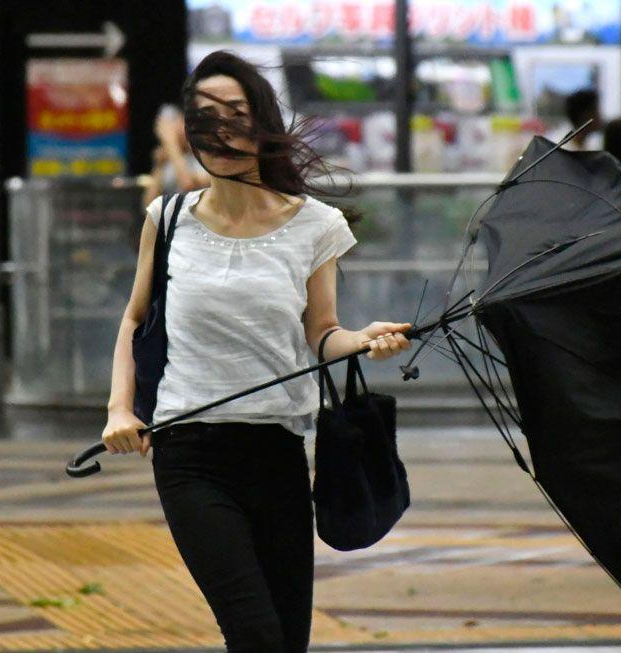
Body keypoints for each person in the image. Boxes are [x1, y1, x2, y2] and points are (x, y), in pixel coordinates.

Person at [101, 51, 412, 652]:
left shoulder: (315, 225)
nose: (220, 128)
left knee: (286, 639)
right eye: (206, 115)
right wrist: (120, 409)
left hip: (278, 451)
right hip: (189, 454)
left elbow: (322, 333)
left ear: (263, 121)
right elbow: (136, 318)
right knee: (255, 633)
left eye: (236, 113)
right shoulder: (167, 219)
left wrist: (364, 339)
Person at [141, 103, 211, 208]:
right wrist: (159, 165)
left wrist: (170, 142)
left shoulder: (209, 156)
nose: (176, 130)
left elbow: (188, 184)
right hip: (172, 221)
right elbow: (148, 206)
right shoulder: (170, 157)